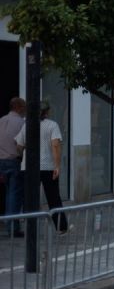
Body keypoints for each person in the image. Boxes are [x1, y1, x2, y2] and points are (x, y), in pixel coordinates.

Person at [15, 102, 69, 234]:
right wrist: (57, 166)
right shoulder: (52, 125)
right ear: (47, 112)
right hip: (47, 166)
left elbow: (19, 146)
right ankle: (61, 227)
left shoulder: (27, 125)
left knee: (30, 197)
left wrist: (22, 156)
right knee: (53, 197)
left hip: (29, 167)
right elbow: (55, 145)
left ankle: (30, 227)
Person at [0, 97, 26, 236]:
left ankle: (9, 223)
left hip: (1, 161)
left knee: (9, 192)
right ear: (19, 108)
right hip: (14, 161)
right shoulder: (21, 123)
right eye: (24, 107)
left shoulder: (2, 120)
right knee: (14, 194)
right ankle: (12, 227)